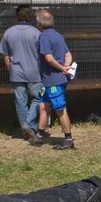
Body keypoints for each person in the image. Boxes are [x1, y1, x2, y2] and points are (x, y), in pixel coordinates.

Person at [0, 4, 42, 143]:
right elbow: (42, 54)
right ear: (30, 16)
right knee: (38, 98)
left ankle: (26, 129)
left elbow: (5, 55)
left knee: (20, 101)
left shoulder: (8, 32)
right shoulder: (36, 33)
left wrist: (10, 68)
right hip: (34, 72)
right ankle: (29, 125)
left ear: (17, 16)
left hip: (16, 71)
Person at [34, 9, 75, 149]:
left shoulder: (44, 36)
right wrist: (66, 66)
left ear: (40, 24)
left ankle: (68, 139)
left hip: (53, 80)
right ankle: (39, 136)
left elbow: (49, 58)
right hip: (53, 80)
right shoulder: (58, 35)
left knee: (59, 109)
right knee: (43, 106)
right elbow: (68, 54)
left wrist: (61, 68)